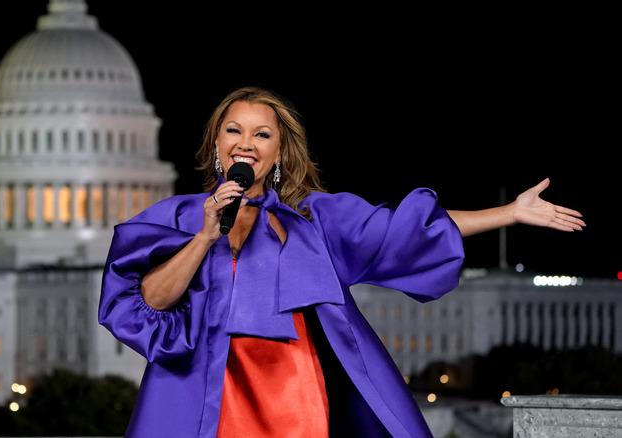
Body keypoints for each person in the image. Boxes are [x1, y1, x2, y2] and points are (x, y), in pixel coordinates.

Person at [98, 86, 585, 437]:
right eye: (234, 130)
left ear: (279, 151)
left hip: (291, 387)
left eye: (261, 134)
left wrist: (510, 213)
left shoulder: (316, 220)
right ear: (218, 145)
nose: (246, 142)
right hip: (199, 384)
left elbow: (409, 232)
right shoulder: (176, 218)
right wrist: (205, 236)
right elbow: (147, 305)